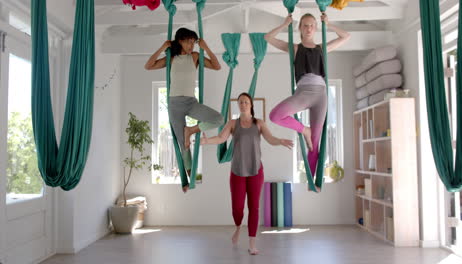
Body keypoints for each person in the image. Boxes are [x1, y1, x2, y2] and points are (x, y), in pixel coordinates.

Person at [265, 13, 350, 191]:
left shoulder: (321, 48)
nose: (309, 28)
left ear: (316, 28)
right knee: (275, 115)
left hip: (321, 95)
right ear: (300, 29)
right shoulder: (295, 48)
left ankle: (313, 182)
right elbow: (268, 38)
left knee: (314, 143)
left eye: (312, 25)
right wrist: (284, 24)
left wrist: (329, 23)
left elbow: (346, 36)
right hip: (303, 92)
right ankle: (305, 130)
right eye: (305, 25)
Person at [201, 93, 294, 255]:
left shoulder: (259, 123)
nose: (243, 104)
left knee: (254, 207)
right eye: (240, 102)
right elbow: (221, 138)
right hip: (237, 171)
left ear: (251, 104)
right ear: (238, 105)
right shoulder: (232, 123)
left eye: (245, 102)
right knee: (237, 208)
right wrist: (207, 141)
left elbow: (270, 138)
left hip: (256, 171)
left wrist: (280, 141)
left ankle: (252, 243)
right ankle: (238, 227)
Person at [145, 27, 224, 193]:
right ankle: (189, 180)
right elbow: (148, 66)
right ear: (180, 40)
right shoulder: (171, 58)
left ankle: (191, 130)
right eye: (189, 41)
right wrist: (162, 47)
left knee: (219, 119)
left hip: (190, 102)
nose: (191, 45)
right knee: (184, 146)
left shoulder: (195, 57)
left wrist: (206, 48)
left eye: (193, 42)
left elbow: (217, 67)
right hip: (175, 104)